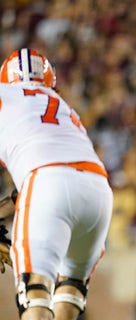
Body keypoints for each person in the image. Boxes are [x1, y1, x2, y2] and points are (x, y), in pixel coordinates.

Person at [0, 48, 113, 320]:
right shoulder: (61, 106)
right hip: (97, 189)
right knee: (68, 294)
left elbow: (46, 181)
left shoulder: (6, 96)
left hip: (46, 182)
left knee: (35, 297)